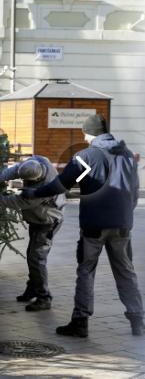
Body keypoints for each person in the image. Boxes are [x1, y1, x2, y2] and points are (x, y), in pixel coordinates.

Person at [22, 114, 143, 337]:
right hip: (122, 225)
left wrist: (33, 192)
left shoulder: (87, 156)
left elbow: (60, 184)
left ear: (90, 133)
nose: (85, 139)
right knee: (126, 272)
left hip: (94, 226)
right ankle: (138, 320)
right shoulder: (126, 155)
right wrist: (125, 214)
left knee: (86, 270)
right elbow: (134, 191)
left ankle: (80, 322)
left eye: (85, 134)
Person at [0, 156, 65, 311]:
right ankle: (33, 288)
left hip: (47, 222)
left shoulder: (42, 190)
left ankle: (44, 297)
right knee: (33, 256)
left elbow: (12, 202)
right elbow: (13, 170)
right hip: (38, 219)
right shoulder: (41, 161)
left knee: (36, 258)